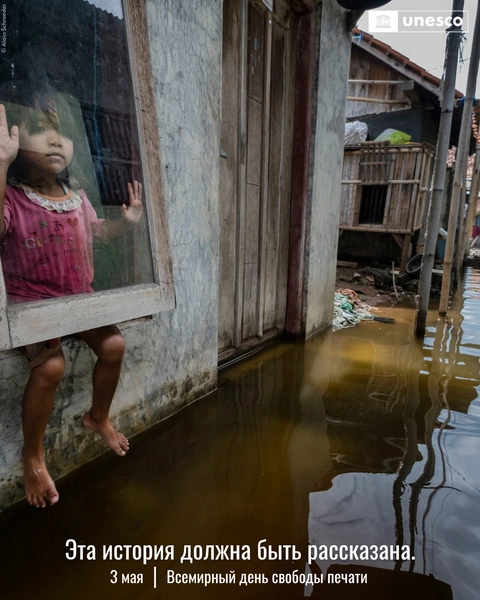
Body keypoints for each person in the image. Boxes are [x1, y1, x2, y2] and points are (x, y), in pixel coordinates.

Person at [0, 91, 143, 508]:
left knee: (114, 345)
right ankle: (33, 455)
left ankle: (97, 416)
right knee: (52, 366)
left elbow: (98, 231)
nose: (55, 140)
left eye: (62, 131)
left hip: (79, 302)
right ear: (14, 140)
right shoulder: (13, 198)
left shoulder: (76, 196)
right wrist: (2, 164)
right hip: (33, 306)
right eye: (40, 130)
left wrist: (126, 224)